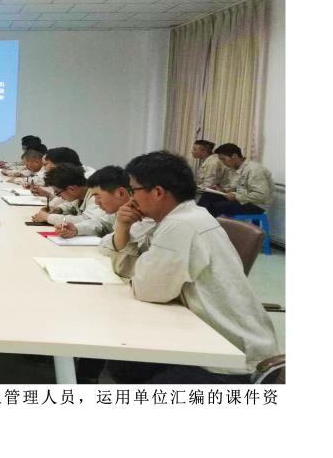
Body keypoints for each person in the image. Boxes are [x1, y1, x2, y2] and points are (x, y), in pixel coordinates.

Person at [99, 151, 279, 383]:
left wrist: (138, 260)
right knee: (123, 365)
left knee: (127, 364)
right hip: (209, 337)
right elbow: (129, 269)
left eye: (134, 191)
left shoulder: (180, 225)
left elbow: (147, 289)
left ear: (157, 192)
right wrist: (123, 227)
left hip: (230, 361)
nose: (131, 199)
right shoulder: (185, 216)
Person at [197, 143, 275, 217]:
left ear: (234, 156)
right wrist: (222, 190)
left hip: (256, 205)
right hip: (242, 199)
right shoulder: (233, 169)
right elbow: (237, 187)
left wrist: (236, 196)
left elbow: (261, 196)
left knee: (216, 206)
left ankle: (204, 223)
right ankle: (198, 220)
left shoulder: (254, 169)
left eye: (223, 159)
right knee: (208, 196)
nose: (222, 162)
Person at [31, 164, 109, 236]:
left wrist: (48, 217)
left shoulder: (96, 197)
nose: (58, 196)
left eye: (57, 192)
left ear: (72, 189)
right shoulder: (79, 193)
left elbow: (87, 220)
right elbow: (70, 205)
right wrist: (59, 209)